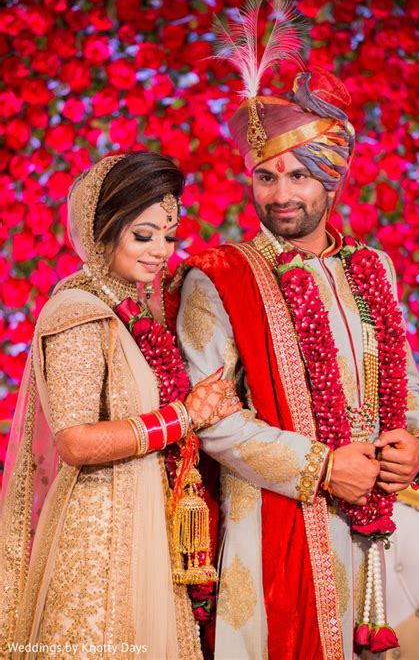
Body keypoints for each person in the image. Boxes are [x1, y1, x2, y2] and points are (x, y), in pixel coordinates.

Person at [175, 0, 419, 659]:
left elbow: (402, 387)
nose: (279, 194)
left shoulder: (372, 267)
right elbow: (209, 418)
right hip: (271, 539)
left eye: (297, 175)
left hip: (373, 538)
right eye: (265, 176)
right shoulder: (218, 276)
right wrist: (320, 466)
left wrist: (418, 448)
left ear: (331, 175)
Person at [0, 152, 241, 659]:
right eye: (144, 234)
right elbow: (75, 441)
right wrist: (186, 416)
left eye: (169, 237)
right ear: (102, 229)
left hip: (147, 521)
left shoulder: (137, 308)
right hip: (100, 535)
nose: (160, 252)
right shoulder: (78, 313)